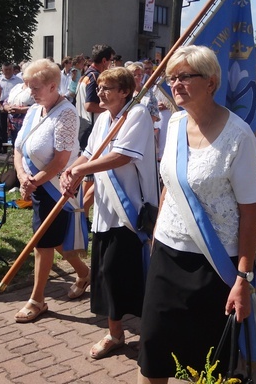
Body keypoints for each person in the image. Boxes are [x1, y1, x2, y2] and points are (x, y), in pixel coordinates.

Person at [136, 46, 256, 382]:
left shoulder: (239, 136)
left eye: (184, 76)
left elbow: (250, 213)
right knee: (153, 350)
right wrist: (157, 235)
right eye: (171, 78)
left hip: (215, 266)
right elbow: (169, 186)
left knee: (209, 359)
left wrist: (243, 279)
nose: (175, 84)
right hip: (167, 254)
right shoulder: (174, 123)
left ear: (211, 82)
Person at [61, 67, 156, 360]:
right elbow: (90, 154)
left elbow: (122, 156)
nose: (100, 93)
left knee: (133, 276)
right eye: (100, 87)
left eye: (108, 88)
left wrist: (80, 170)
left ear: (125, 91)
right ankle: (115, 333)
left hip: (130, 215)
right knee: (105, 275)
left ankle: (153, 333)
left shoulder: (137, 115)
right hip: (105, 212)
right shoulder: (103, 119)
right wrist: (71, 171)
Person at [12, 59, 91, 322]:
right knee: (53, 241)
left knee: (41, 243)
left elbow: (60, 159)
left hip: (57, 188)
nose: (30, 93)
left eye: (35, 87)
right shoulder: (36, 110)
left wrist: (33, 181)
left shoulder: (67, 113)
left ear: (53, 86)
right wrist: (23, 176)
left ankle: (37, 300)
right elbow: (19, 147)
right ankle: (84, 273)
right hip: (35, 185)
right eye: (28, 87)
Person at [75, 44, 115, 149]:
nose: (112, 63)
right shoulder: (95, 77)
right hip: (91, 128)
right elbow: (89, 106)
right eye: (111, 60)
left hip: (82, 126)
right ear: (104, 61)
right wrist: (110, 109)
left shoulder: (86, 75)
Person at [3, 63, 35, 144]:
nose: (26, 76)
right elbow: (6, 101)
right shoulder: (17, 87)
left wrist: (21, 110)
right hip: (13, 125)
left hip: (27, 124)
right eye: (24, 73)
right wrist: (6, 107)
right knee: (15, 148)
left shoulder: (36, 89)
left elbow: (39, 106)